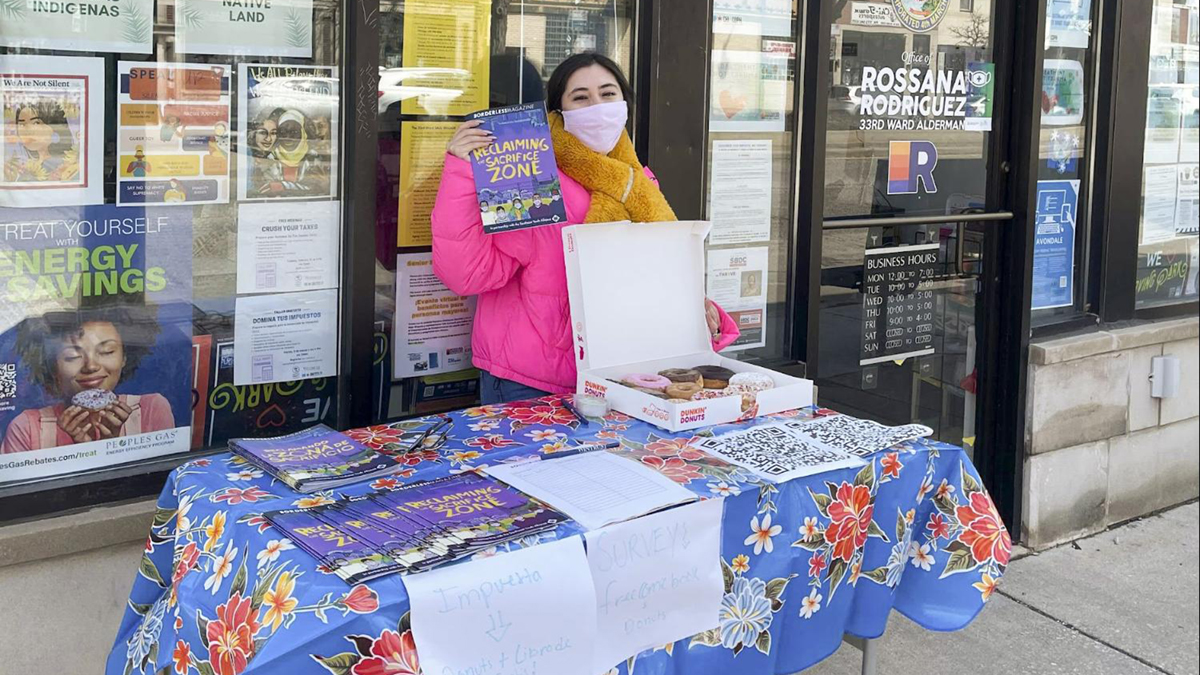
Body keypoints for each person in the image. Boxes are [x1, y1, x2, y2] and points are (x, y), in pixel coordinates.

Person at [432, 52, 739, 404]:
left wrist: (691, 305)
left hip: (619, 376)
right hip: (534, 381)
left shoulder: (637, 181)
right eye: (581, 97)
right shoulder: (533, 179)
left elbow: (652, 273)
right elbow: (469, 275)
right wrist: (460, 172)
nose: (597, 105)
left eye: (608, 94)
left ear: (624, 103)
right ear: (558, 111)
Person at [2, 307, 176, 454]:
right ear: (53, 367)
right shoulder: (27, 429)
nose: (91, 366)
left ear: (124, 358)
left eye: (107, 351)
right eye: (72, 356)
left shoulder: (151, 409)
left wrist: (111, 447)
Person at [5, 100, 79, 183]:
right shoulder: (23, 168)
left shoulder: (67, 167)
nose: (27, 130)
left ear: (53, 127)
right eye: (22, 124)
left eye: (36, 123)